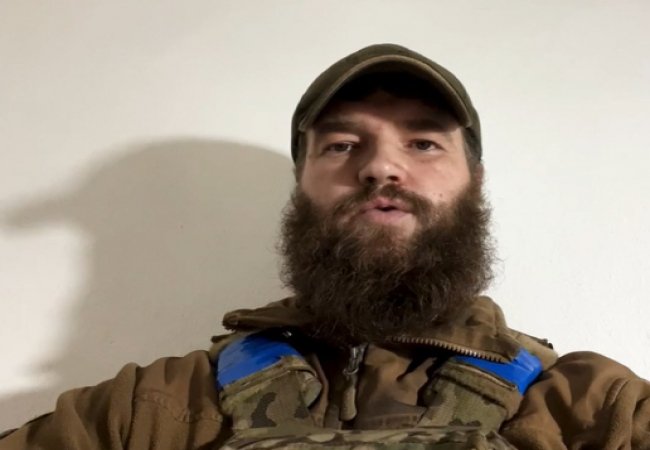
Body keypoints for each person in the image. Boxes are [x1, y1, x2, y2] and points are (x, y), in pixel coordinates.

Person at [1, 43, 649, 450]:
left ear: (474, 182)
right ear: (301, 185)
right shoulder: (152, 409)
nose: (381, 167)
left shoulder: (594, 408)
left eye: (423, 143)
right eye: (341, 145)